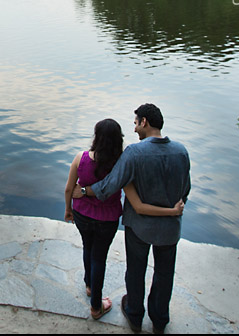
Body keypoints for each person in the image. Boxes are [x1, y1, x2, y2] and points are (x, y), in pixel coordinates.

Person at [73, 104, 190, 334]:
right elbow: (185, 188)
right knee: (165, 273)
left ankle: (135, 315)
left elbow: (110, 185)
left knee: (136, 269)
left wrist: (85, 191)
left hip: (140, 225)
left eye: (136, 123)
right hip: (170, 227)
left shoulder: (135, 153)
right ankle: (159, 320)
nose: (135, 129)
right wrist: (175, 207)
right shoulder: (181, 151)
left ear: (144, 122)